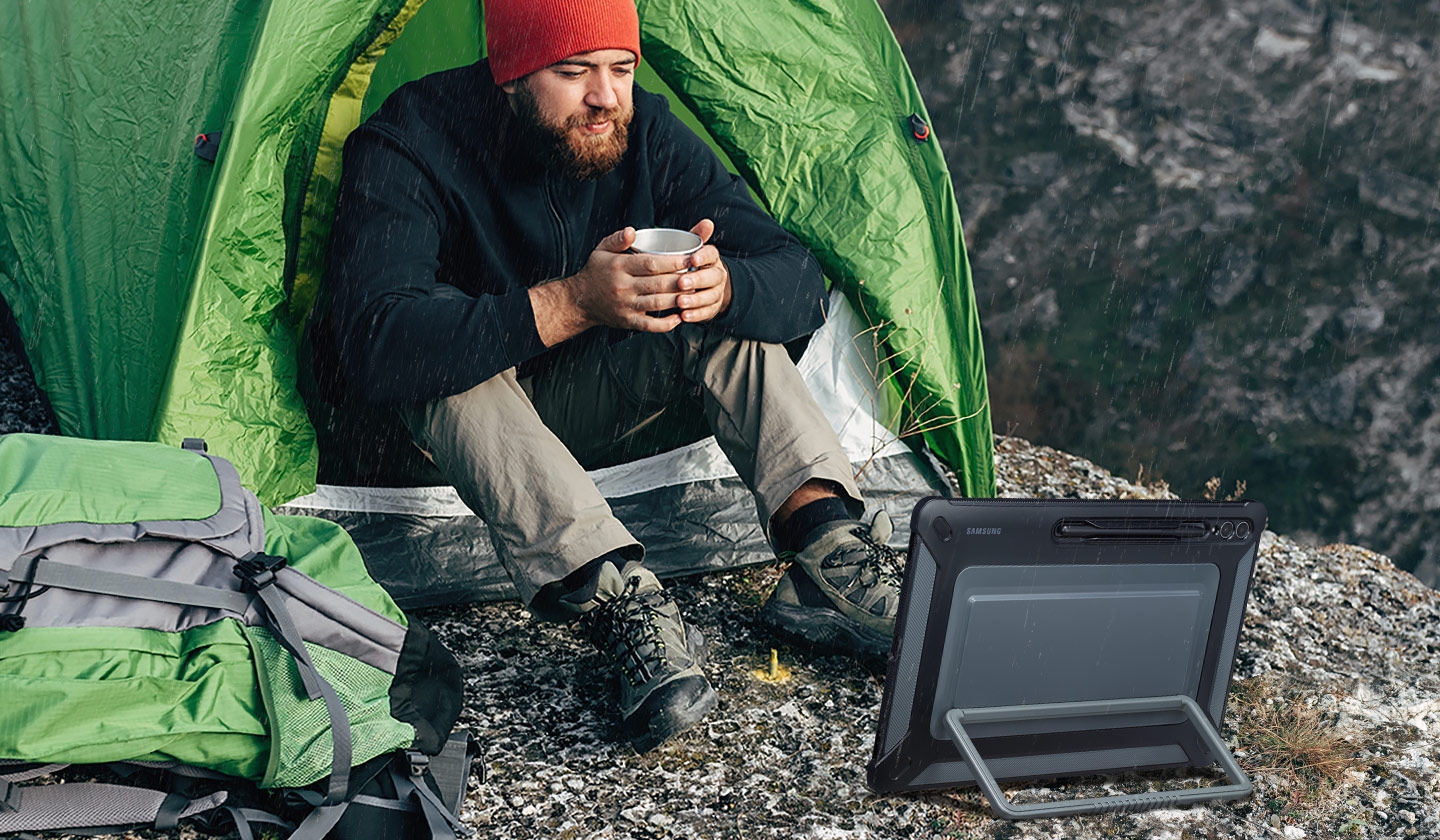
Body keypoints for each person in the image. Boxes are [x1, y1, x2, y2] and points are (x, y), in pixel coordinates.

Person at [309, 0, 901, 753]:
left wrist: (723, 289)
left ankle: (827, 549)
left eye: (620, 68)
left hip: (576, 413)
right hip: (439, 440)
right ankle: (619, 599)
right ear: (511, 75)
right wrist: (571, 303)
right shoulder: (412, 138)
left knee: (706, 306)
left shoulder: (644, 130)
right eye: (573, 71)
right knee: (445, 360)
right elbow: (373, 340)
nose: (605, 96)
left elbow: (795, 276)